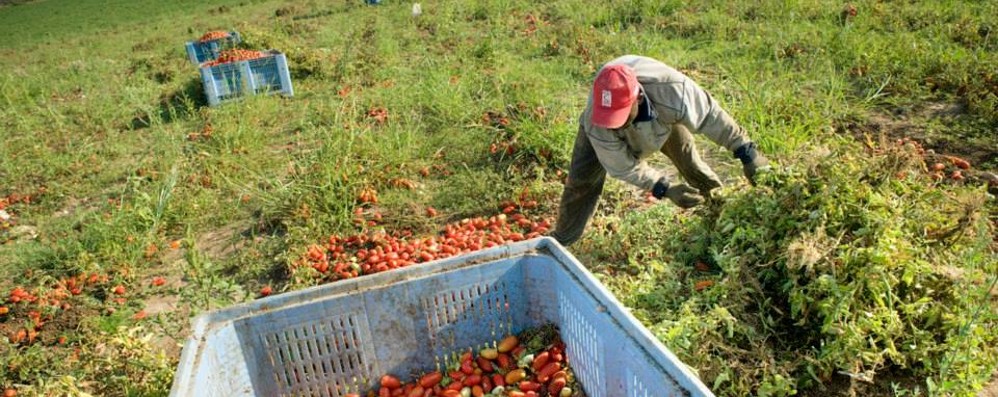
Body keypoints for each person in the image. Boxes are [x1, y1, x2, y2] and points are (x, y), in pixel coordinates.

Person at [551, 55, 771, 246]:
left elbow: (711, 117)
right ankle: (563, 241)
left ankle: (720, 211)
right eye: (611, 119)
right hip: (608, 128)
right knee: (581, 181)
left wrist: (746, 152)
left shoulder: (672, 91)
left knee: (690, 163)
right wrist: (665, 188)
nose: (615, 125)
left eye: (620, 117)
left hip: (661, 116)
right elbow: (622, 166)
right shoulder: (597, 120)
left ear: (636, 97)